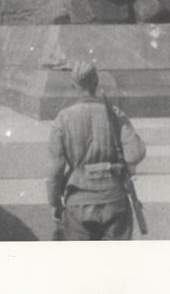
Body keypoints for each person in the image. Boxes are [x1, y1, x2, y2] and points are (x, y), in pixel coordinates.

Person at [46, 62, 146, 240]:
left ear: (74, 85)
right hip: (114, 197)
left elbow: (56, 169)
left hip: (78, 202)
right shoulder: (114, 113)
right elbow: (135, 154)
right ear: (97, 82)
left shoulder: (63, 118)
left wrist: (54, 202)